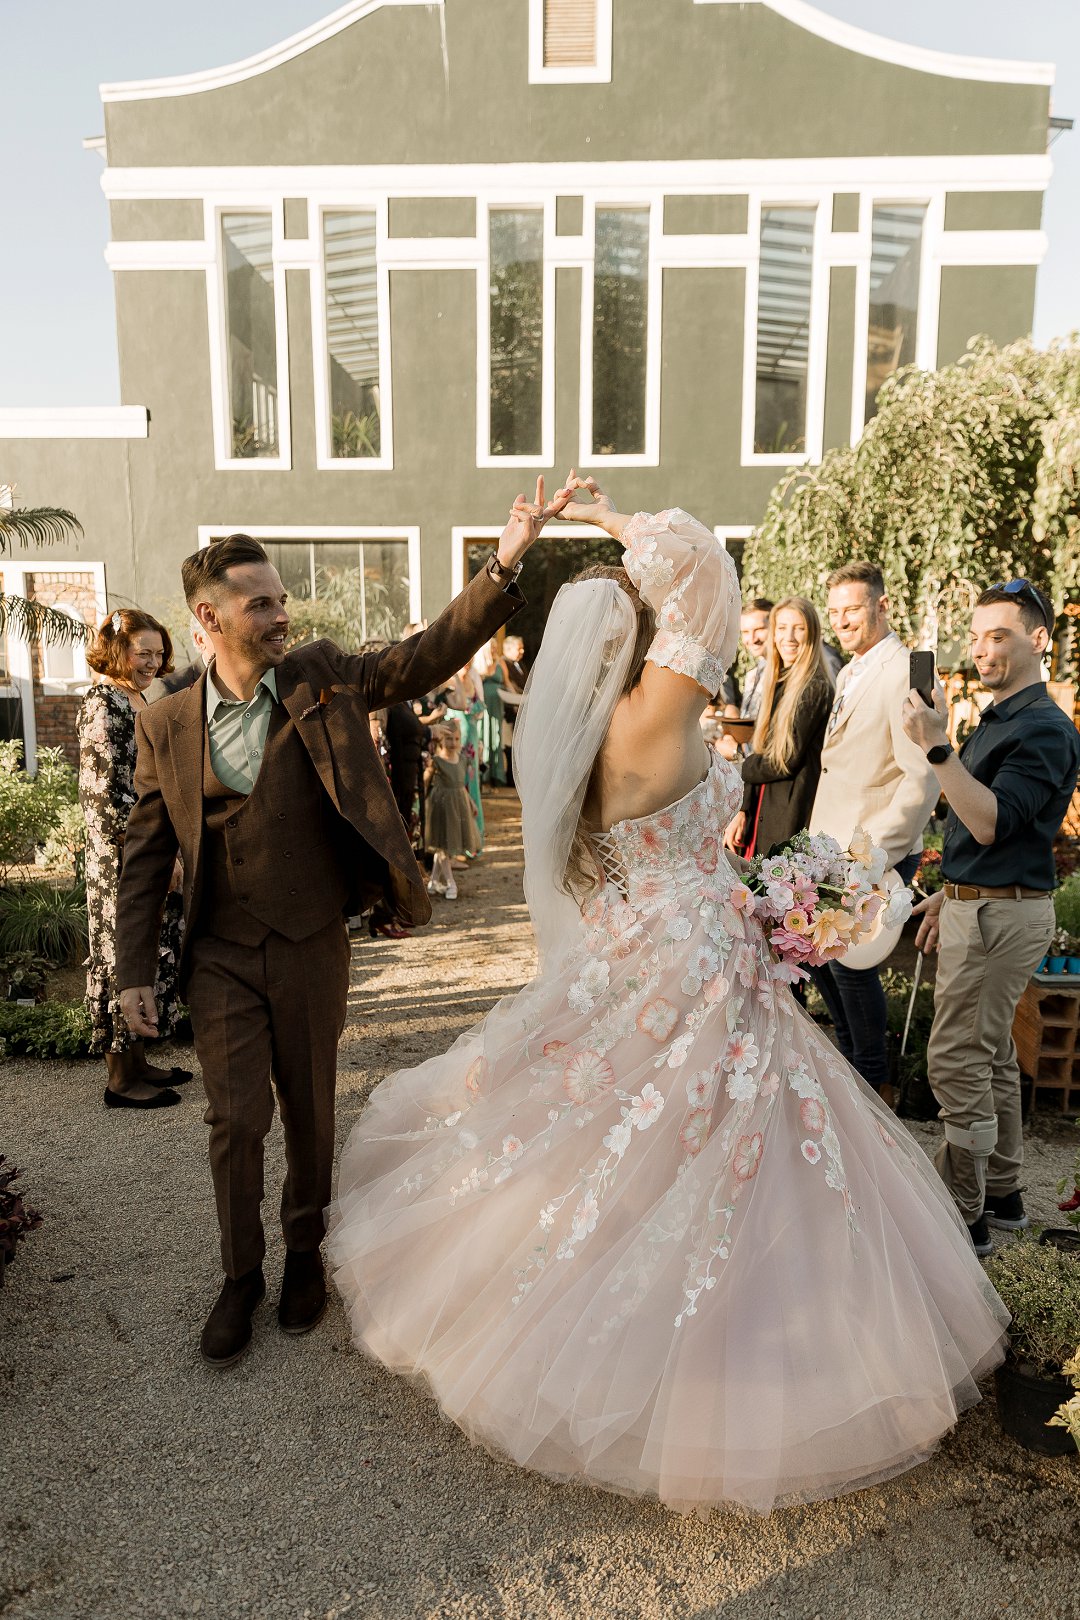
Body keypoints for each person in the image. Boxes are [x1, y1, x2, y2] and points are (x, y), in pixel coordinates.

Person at [327, 479, 1006, 1517]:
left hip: (638, 942)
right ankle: (740, 1353)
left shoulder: (588, 740)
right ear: (639, 633)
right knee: (730, 1128)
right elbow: (708, 572)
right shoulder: (656, 711)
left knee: (629, 1128)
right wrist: (614, 521)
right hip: (699, 949)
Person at [116, 479, 563, 1368]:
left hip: (310, 939)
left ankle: (303, 1254)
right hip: (219, 952)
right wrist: (133, 972)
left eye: (281, 598)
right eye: (261, 604)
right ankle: (240, 1275)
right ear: (208, 618)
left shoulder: (319, 674)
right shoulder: (165, 723)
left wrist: (504, 561)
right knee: (235, 1121)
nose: (281, 614)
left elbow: (419, 659)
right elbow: (144, 853)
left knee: (310, 1109)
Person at [903, 580, 1080, 1255]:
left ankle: (961, 1216)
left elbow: (988, 822)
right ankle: (1002, 1193)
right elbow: (990, 838)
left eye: (998, 636)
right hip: (982, 906)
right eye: (975, 637)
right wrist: (949, 893)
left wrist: (937, 748)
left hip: (998, 919)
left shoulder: (1044, 729)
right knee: (994, 1054)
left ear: (1039, 640)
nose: (981, 650)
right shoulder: (1003, 717)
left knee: (956, 1062)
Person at [808, 562, 938, 1097]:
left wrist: (874, 856)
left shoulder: (909, 671)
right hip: (831, 848)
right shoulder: (849, 672)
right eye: (834, 612)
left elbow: (922, 777)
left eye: (853, 609)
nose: (841, 621)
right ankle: (853, 1072)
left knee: (852, 968)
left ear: (882, 606)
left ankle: (874, 1085)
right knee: (823, 962)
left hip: (873, 851)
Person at [78, 610, 188, 1109]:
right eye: (143, 653)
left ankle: (139, 1061)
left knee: (149, 946)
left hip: (147, 845)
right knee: (121, 952)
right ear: (116, 650)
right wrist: (152, 854)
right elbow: (106, 795)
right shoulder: (102, 704)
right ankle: (121, 1080)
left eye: (159, 654)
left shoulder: (138, 698)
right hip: (121, 855)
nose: (153, 663)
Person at [723, 597, 833, 859]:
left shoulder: (814, 687)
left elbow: (783, 761)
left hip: (787, 815)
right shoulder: (781, 680)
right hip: (763, 807)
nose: (789, 637)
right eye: (782, 628)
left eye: (799, 628)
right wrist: (743, 808)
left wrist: (737, 763)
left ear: (812, 633)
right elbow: (763, 751)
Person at [425, 720, 479, 900]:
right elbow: (425, 782)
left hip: (458, 805)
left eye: (456, 739)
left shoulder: (463, 759)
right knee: (443, 846)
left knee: (445, 845)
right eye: (448, 738)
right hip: (441, 806)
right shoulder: (437, 761)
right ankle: (450, 883)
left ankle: (433, 881)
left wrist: (471, 802)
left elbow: (461, 785)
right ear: (441, 739)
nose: (453, 743)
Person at [441, 662, 486, 844]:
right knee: (458, 783)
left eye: (470, 659)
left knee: (472, 782)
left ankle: (474, 837)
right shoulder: (448, 681)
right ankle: (459, 839)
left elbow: (481, 709)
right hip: (454, 741)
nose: (467, 663)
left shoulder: (473, 678)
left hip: (471, 740)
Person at [497, 633, 527, 787]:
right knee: (510, 743)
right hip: (510, 709)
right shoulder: (504, 663)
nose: (522, 652)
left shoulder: (520, 665)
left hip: (521, 705)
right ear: (508, 649)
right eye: (519, 649)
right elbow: (509, 684)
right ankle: (510, 777)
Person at [476, 640, 507, 788]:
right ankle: (484, 775)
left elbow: (507, 682)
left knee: (496, 734)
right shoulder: (479, 664)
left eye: (495, 647)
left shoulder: (501, 663)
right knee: (484, 733)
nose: (494, 649)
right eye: (491, 647)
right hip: (485, 705)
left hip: (497, 704)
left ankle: (497, 775)